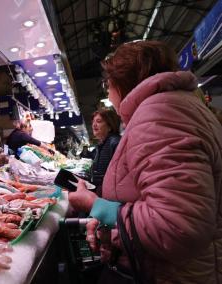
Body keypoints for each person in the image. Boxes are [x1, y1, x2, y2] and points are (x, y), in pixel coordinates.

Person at [68, 40, 222, 283]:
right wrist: (110, 228)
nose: (108, 93)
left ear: (120, 83)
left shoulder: (160, 114)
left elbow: (177, 227)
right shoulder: (178, 106)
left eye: (108, 86)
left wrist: (95, 205)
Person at [90, 108, 121, 196]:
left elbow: (119, 176)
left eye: (99, 121)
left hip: (112, 196)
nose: (94, 125)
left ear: (110, 125)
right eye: (93, 122)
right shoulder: (103, 143)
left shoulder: (115, 142)